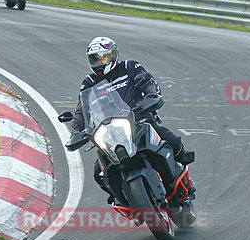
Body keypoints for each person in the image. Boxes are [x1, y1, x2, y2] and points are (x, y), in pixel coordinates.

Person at [71, 37, 195, 202]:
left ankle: (185, 178)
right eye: (95, 59)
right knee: (98, 173)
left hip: (140, 120)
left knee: (172, 141)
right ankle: (120, 195)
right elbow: (81, 110)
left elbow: (148, 81)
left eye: (103, 57)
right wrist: (76, 131)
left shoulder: (129, 67)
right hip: (109, 132)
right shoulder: (89, 83)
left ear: (113, 55)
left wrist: (152, 96)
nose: (99, 62)